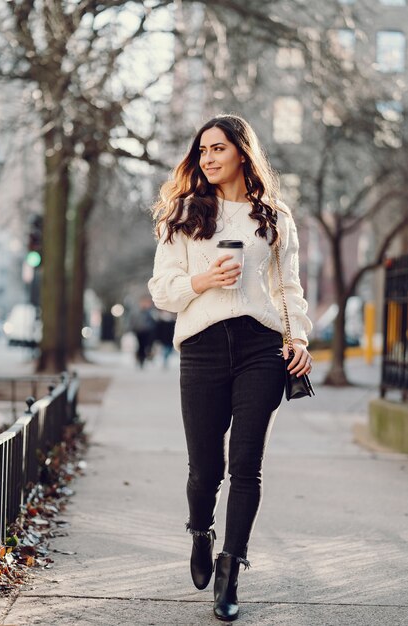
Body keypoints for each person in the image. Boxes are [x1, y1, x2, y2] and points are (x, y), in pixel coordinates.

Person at [148, 114, 313, 622]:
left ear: (242, 151)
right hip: (202, 346)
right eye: (202, 151)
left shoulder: (274, 216)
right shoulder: (184, 213)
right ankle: (201, 530)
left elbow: (288, 289)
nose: (209, 158)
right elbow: (162, 290)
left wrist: (300, 338)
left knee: (246, 463)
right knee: (205, 468)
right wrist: (204, 280)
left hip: (261, 346)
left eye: (218, 148)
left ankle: (231, 568)